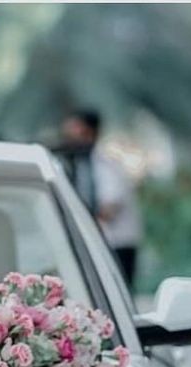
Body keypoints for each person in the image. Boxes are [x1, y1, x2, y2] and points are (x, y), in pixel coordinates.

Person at [60, 109, 143, 286]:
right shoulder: (79, 163)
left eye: (76, 132)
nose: (70, 139)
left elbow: (109, 208)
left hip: (116, 244)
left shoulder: (107, 165)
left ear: (90, 133)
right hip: (100, 242)